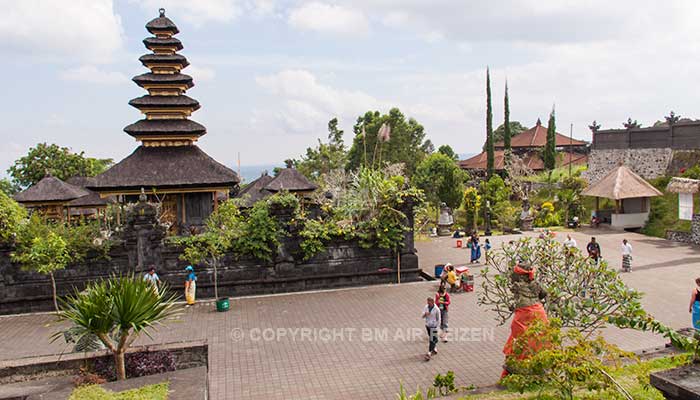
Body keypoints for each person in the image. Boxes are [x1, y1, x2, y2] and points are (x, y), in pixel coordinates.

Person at [502, 262, 548, 378]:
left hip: (524, 315)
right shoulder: (536, 284)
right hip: (539, 312)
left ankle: (517, 368)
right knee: (537, 340)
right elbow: (544, 294)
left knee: (520, 341)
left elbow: (516, 298)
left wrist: (513, 306)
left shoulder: (517, 286)